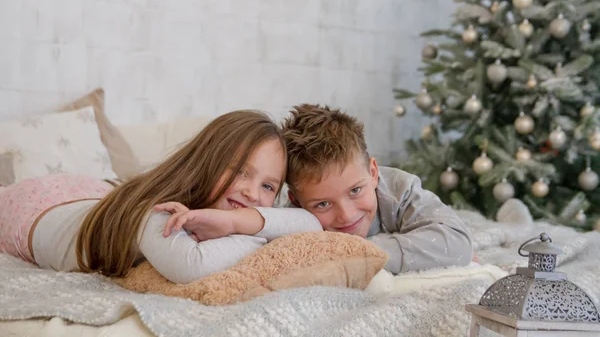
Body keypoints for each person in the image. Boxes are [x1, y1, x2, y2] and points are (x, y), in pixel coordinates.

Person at [0, 110, 322, 283]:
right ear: (207, 161)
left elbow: (310, 223)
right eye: (239, 170)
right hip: (33, 205)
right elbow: (192, 266)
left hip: (95, 194)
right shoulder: (154, 212)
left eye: (268, 186)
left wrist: (235, 221)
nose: (252, 193)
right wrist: (256, 231)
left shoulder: (223, 207)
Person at [280, 104, 473, 274]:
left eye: (355, 191)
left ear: (373, 173)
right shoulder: (292, 220)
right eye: (323, 204)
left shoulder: (400, 189)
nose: (346, 215)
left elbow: (458, 244)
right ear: (297, 202)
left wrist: (354, 253)